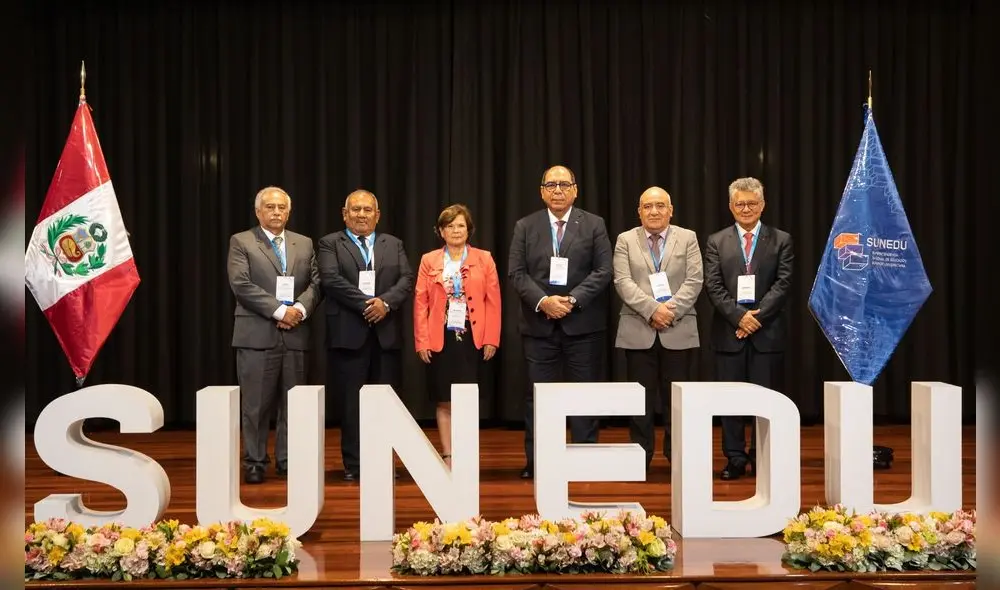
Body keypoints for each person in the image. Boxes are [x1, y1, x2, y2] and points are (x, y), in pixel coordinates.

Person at [507, 165, 613, 479]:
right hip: (539, 326)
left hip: (583, 324)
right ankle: (538, 462)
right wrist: (544, 302)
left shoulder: (594, 224)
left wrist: (572, 299)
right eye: (551, 185)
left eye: (564, 184)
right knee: (538, 396)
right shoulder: (526, 226)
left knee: (584, 394)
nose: (557, 190)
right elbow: (517, 273)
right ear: (541, 191)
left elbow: (604, 270)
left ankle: (583, 461)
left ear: (575, 190)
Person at [317, 189, 414, 481]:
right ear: (344, 213)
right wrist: (367, 304)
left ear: (377, 214)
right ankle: (355, 464)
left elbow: (406, 279)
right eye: (355, 209)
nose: (361, 214)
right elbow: (331, 279)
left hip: (385, 335)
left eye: (367, 210)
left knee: (387, 403)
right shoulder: (330, 243)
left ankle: (385, 462)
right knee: (351, 404)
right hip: (349, 334)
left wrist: (385, 303)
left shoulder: (393, 243)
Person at [227, 186, 321, 484]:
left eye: (282, 207)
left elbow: (317, 283)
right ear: (258, 212)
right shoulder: (242, 241)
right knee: (255, 404)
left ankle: (288, 459)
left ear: (289, 211)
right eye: (270, 207)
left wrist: (300, 311)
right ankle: (254, 461)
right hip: (256, 335)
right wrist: (281, 311)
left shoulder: (304, 243)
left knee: (293, 402)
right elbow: (241, 284)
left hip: (295, 335)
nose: (276, 212)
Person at [704, 177, 793, 480]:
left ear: (762, 205)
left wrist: (756, 318)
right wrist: (739, 318)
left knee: (766, 400)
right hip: (729, 332)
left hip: (767, 334)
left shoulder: (781, 240)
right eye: (740, 203)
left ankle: (764, 456)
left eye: (752, 203)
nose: (746, 208)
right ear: (730, 206)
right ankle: (735, 458)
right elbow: (713, 286)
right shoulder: (716, 241)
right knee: (730, 401)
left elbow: (783, 284)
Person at [612, 186, 703, 472]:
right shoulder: (625, 239)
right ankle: (640, 458)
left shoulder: (688, 238)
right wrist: (652, 310)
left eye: (660, 206)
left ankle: (678, 458)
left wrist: (668, 311)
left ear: (671, 210)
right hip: (638, 329)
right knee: (640, 402)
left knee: (678, 401)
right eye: (648, 206)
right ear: (639, 211)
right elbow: (622, 281)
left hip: (678, 330)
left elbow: (695, 280)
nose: (654, 211)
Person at [413, 204, 502, 466]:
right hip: (440, 337)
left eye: (460, 225)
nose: (455, 230)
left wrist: (491, 338)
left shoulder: (484, 258)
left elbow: (493, 301)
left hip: (473, 335)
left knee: (468, 398)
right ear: (441, 231)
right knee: (444, 399)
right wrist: (422, 340)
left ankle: (467, 451)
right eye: (450, 226)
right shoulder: (429, 260)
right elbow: (421, 303)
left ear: (469, 230)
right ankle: (449, 453)